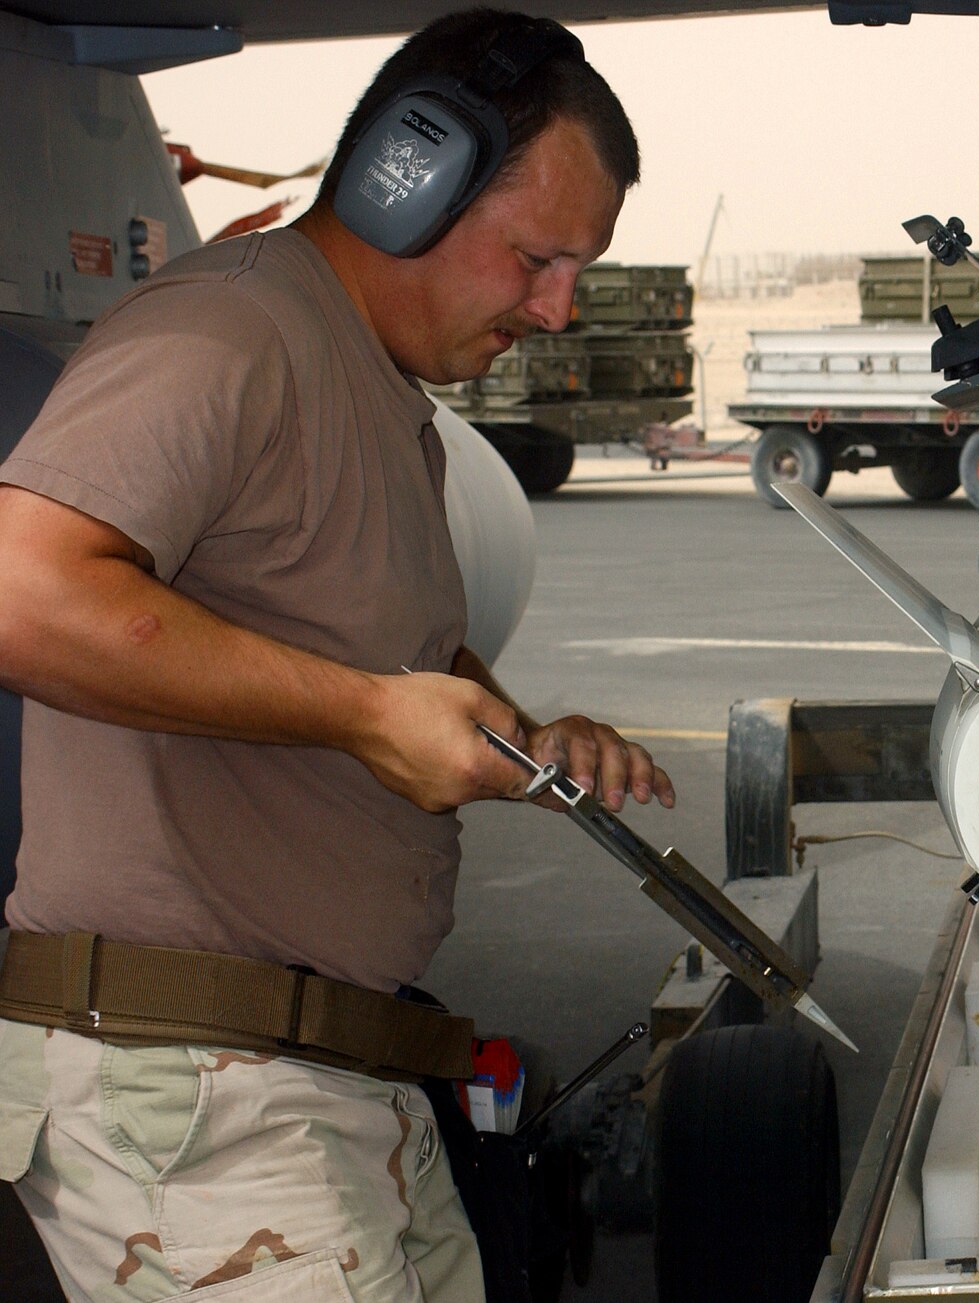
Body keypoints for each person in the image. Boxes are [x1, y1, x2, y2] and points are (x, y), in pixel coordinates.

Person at [0, 11, 666, 1300]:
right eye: (537, 257)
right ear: (403, 181)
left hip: (321, 1078)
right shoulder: (231, 332)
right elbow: (25, 595)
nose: (558, 308)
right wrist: (368, 714)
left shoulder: (365, 378)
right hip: (193, 1102)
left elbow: (353, 639)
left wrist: (521, 737)